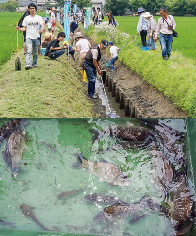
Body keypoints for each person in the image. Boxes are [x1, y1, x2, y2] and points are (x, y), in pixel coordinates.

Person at [16, 3, 44, 69]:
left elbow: (42, 25)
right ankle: (28, 64)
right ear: (28, 9)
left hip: (36, 37)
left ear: (35, 9)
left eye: (33, 8)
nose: (32, 10)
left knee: (35, 52)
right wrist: (19, 28)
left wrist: (41, 29)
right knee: (29, 51)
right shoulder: (26, 18)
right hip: (28, 37)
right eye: (30, 8)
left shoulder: (38, 17)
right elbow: (24, 28)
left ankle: (34, 64)